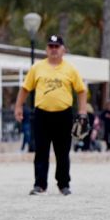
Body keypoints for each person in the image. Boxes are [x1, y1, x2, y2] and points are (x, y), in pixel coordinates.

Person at [13, 35, 87, 196]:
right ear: (46, 49)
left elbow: (81, 90)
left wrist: (82, 111)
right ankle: (40, 185)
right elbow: (25, 88)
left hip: (63, 115)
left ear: (63, 50)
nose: (54, 49)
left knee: (63, 152)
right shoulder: (37, 68)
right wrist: (19, 106)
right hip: (42, 115)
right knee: (41, 150)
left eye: (57, 46)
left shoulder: (70, 69)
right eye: (51, 46)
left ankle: (63, 184)